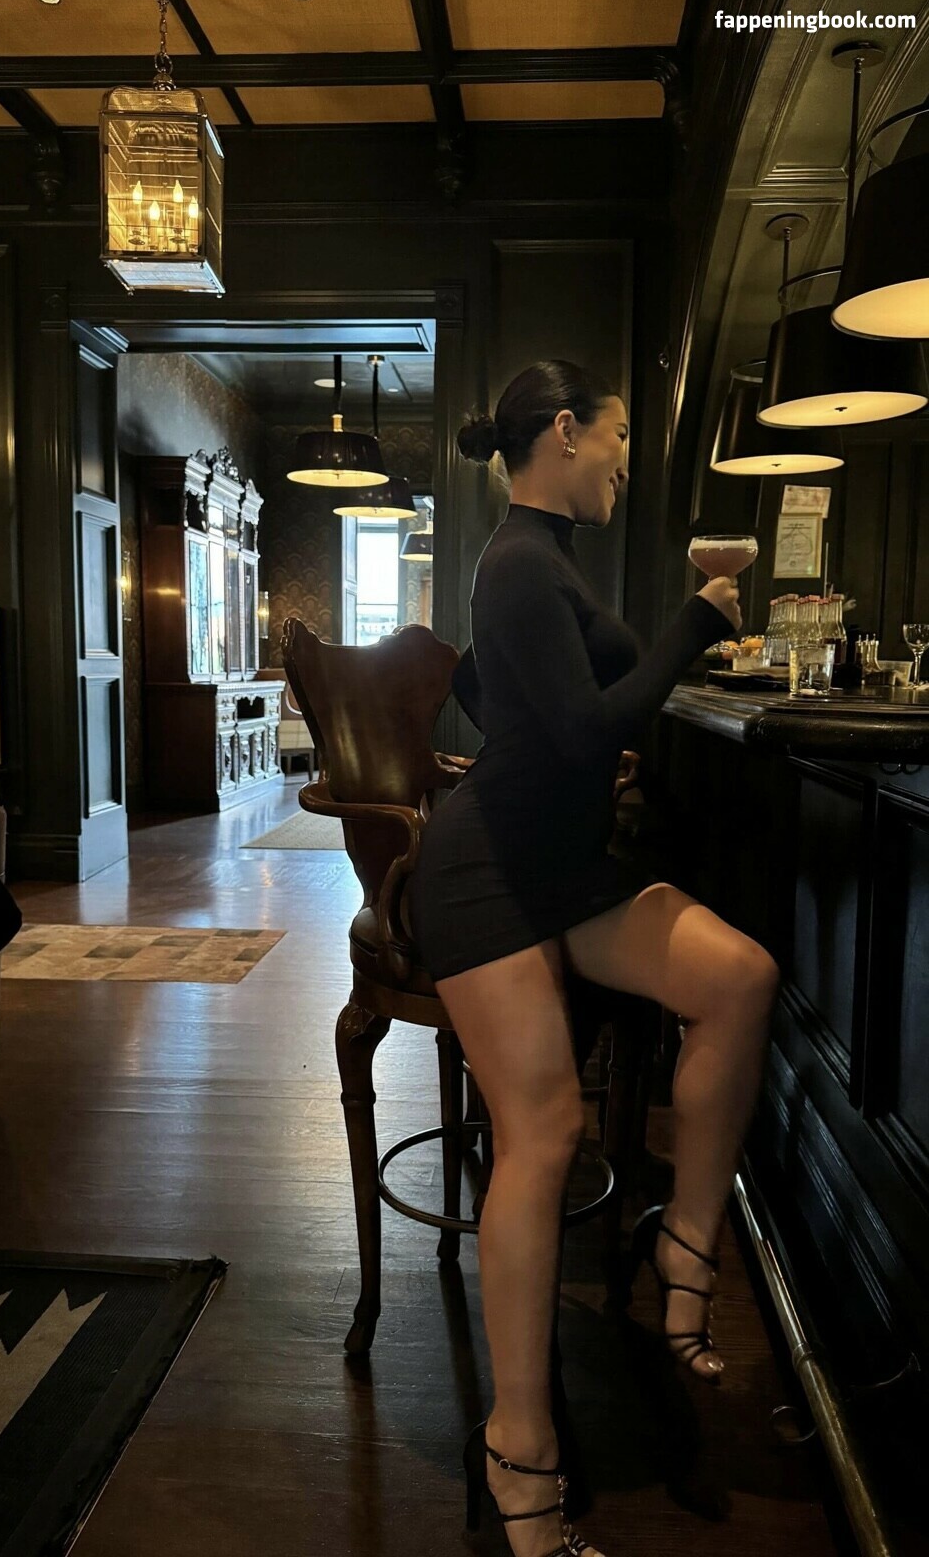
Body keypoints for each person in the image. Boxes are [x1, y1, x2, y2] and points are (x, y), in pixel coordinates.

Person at [407, 361, 780, 1557]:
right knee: (545, 1130)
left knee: (738, 978)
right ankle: (520, 1453)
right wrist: (695, 625)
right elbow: (580, 730)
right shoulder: (519, 561)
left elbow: (529, 698)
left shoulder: (548, 562)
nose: (626, 460)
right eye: (618, 437)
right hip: (486, 875)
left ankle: (685, 1249)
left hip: (563, 868)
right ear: (566, 433)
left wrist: (638, 683)